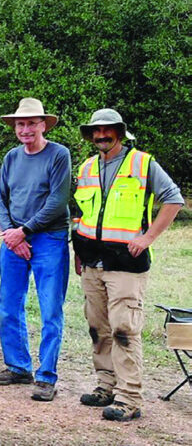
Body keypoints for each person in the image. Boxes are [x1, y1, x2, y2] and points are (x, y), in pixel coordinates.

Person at [72, 109, 184, 421]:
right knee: (98, 329)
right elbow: (81, 213)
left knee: (124, 330)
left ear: (119, 132)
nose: (101, 136)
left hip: (126, 264)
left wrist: (148, 238)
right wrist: (78, 252)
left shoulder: (143, 163)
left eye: (107, 130)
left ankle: (129, 397)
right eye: (96, 131)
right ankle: (105, 386)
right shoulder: (86, 167)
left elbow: (173, 200)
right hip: (92, 262)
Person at [0, 98, 71, 402]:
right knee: (8, 304)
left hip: (49, 238)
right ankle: (18, 365)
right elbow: (0, 198)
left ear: (43, 125)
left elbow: (58, 200)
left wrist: (24, 231)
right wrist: (12, 234)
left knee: (50, 308)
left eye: (31, 123)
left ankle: (46, 376)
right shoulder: (11, 157)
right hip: (14, 239)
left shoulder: (58, 154)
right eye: (20, 124)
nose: (25, 129)